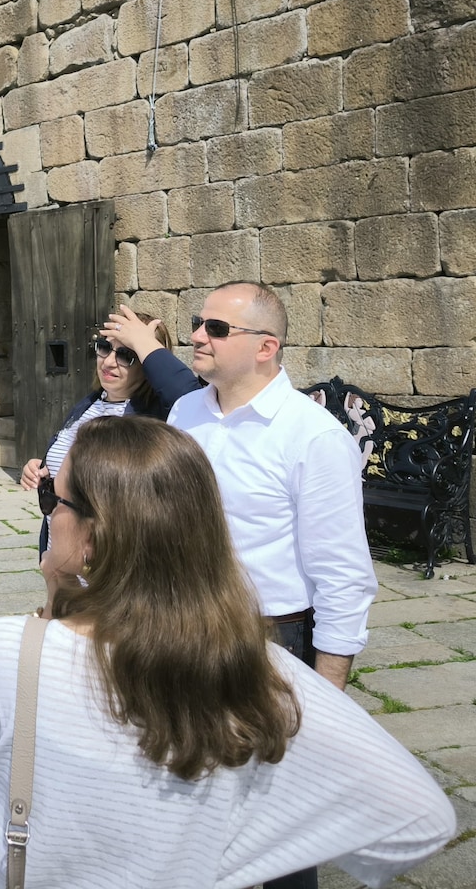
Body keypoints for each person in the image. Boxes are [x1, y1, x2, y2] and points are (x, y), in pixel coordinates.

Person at [0, 416, 455, 889]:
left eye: (53, 496)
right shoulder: (255, 669)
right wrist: (219, 860)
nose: (47, 509)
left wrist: (57, 597)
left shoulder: (11, 650)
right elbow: (421, 819)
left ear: (94, 534)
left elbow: (5, 726)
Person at [168, 281, 379, 889]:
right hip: (185, 627)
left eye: (214, 328)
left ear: (266, 347)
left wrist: (327, 691)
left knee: (278, 817)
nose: (196, 336)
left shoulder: (311, 437)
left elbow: (342, 573)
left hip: (270, 640)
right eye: (197, 322)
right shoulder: (186, 413)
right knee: (194, 800)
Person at [19, 304, 198, 554]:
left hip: (111, 566)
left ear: (147, 363)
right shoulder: (88, 405)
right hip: (60, 559)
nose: (109, 362)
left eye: (126, 355)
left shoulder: (156, 416)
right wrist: (42, 471)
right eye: (105, 349)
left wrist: (146, 344)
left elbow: (187, 393)